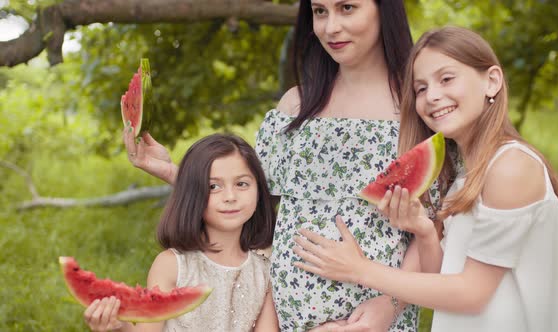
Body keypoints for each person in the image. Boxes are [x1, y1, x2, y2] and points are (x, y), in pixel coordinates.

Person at [123, 0, 435, 330]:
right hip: (283, 321)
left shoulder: (419, 105)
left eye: (347, 8)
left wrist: (391, 304)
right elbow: (246, 196)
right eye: (319, 11)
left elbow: (434, 226)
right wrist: (177, 174)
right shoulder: (296, 104)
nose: (330, 27)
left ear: (383, 11)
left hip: (373, 321)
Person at [292, 26, 558, 332]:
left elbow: (472, 294)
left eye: (446, 79)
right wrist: (425, 232)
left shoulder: (510, 166)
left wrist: (360, 269)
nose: (432, 96)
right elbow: (444, 280)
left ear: (492, 81)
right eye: (421, 88)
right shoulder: (466, 173)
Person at [84, 133, 279, 332]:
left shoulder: (265, 270)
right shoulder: (173, 264)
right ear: (193, 194)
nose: (230, 196)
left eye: (242, 184)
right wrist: (119, 327)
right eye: (213, 186)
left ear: (259, 191)